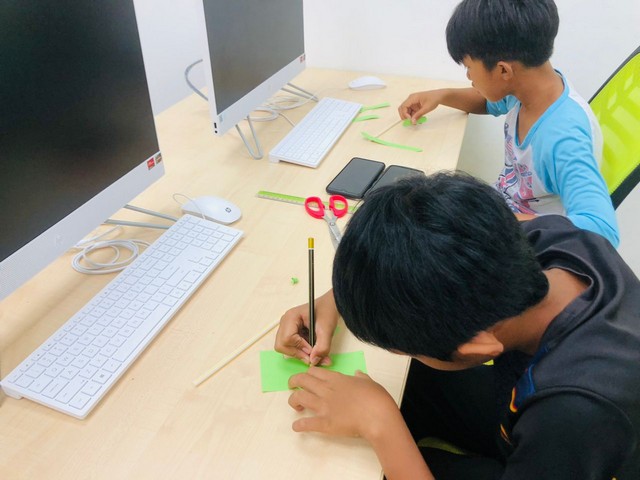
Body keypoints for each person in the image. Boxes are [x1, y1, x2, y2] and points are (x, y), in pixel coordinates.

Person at [274, 172, 640, 479]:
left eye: (408, 349)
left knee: (372, 462)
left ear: (477, 347)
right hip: (530, 413)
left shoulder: (574, 413)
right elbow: (436, 252)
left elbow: (567, 428)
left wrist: (381, 425)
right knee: (412, 386)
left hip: (567, 454)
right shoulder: (553, 237)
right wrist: (342, 297)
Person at [398, 0, 620, 248]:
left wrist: (494, 220)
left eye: (469, 67)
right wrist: (442, 96)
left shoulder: (561, 137)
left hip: (527, 241)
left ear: (503, 70)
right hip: (501, 209)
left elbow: (601, 230)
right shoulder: (528, 89)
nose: (469, 76)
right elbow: (487, 101)